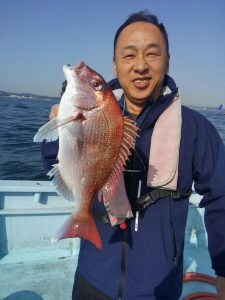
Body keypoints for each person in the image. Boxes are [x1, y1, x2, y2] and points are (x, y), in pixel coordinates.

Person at [42, 10, 225, 300]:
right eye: (129, 56)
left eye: (152, 54)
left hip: (158, 287)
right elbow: (54, 163)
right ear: (115, 66)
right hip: (92, 277)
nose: (140, 65)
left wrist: (223, 269)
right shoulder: (93, 115)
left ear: (167, 61)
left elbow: (221, 197)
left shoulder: (196, 130)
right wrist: (61, 131)